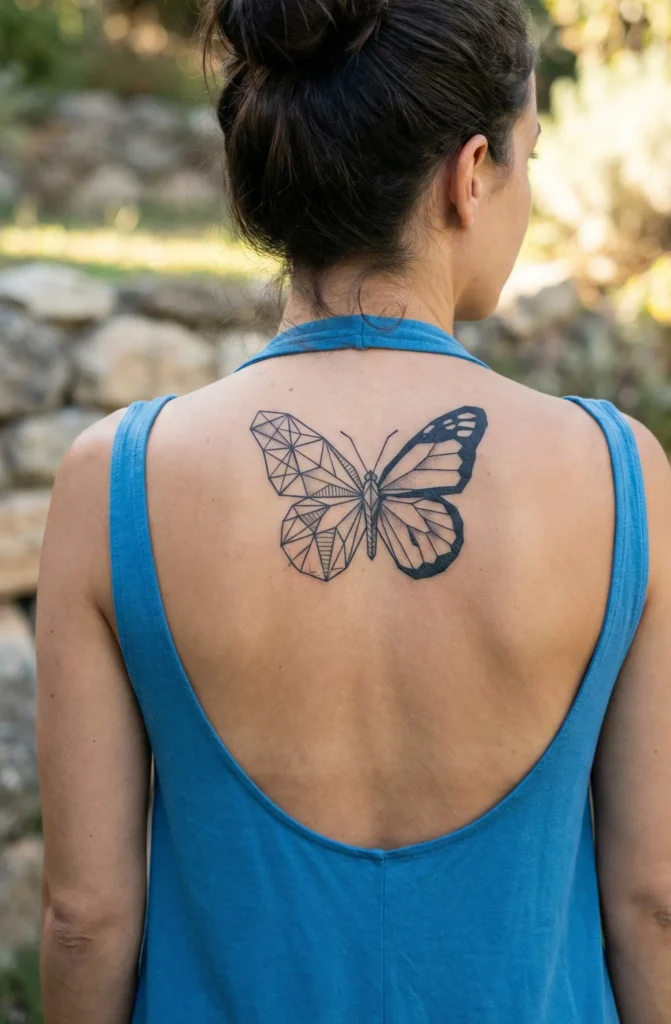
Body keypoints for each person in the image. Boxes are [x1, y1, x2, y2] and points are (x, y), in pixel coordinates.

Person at [35, 0, 671, 1019]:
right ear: (469, 176)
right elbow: (652, 900)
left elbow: (83, 916)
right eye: (529, 157)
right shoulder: (615, 475)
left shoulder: (118, 477)